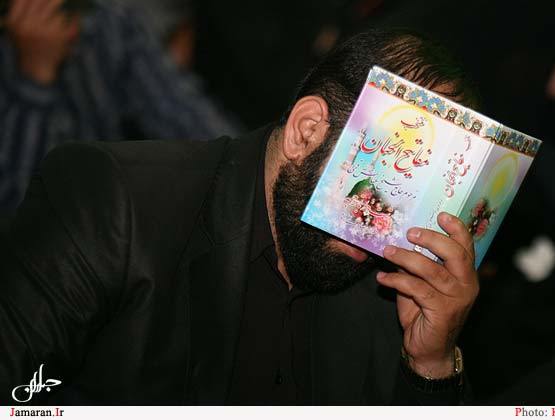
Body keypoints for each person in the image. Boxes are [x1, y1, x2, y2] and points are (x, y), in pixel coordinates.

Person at [0, 29, 480, 405]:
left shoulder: (389, 289)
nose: (392, 222)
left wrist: (431, 366)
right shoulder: (118, 202)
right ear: (306, 132)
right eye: (390, 175)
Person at [0, 0, 240, 214]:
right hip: (59, 236)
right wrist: (36, 76)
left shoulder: (106, 19)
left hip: (112, 226)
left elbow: (182, 113)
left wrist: (249, 172)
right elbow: (23, 210)